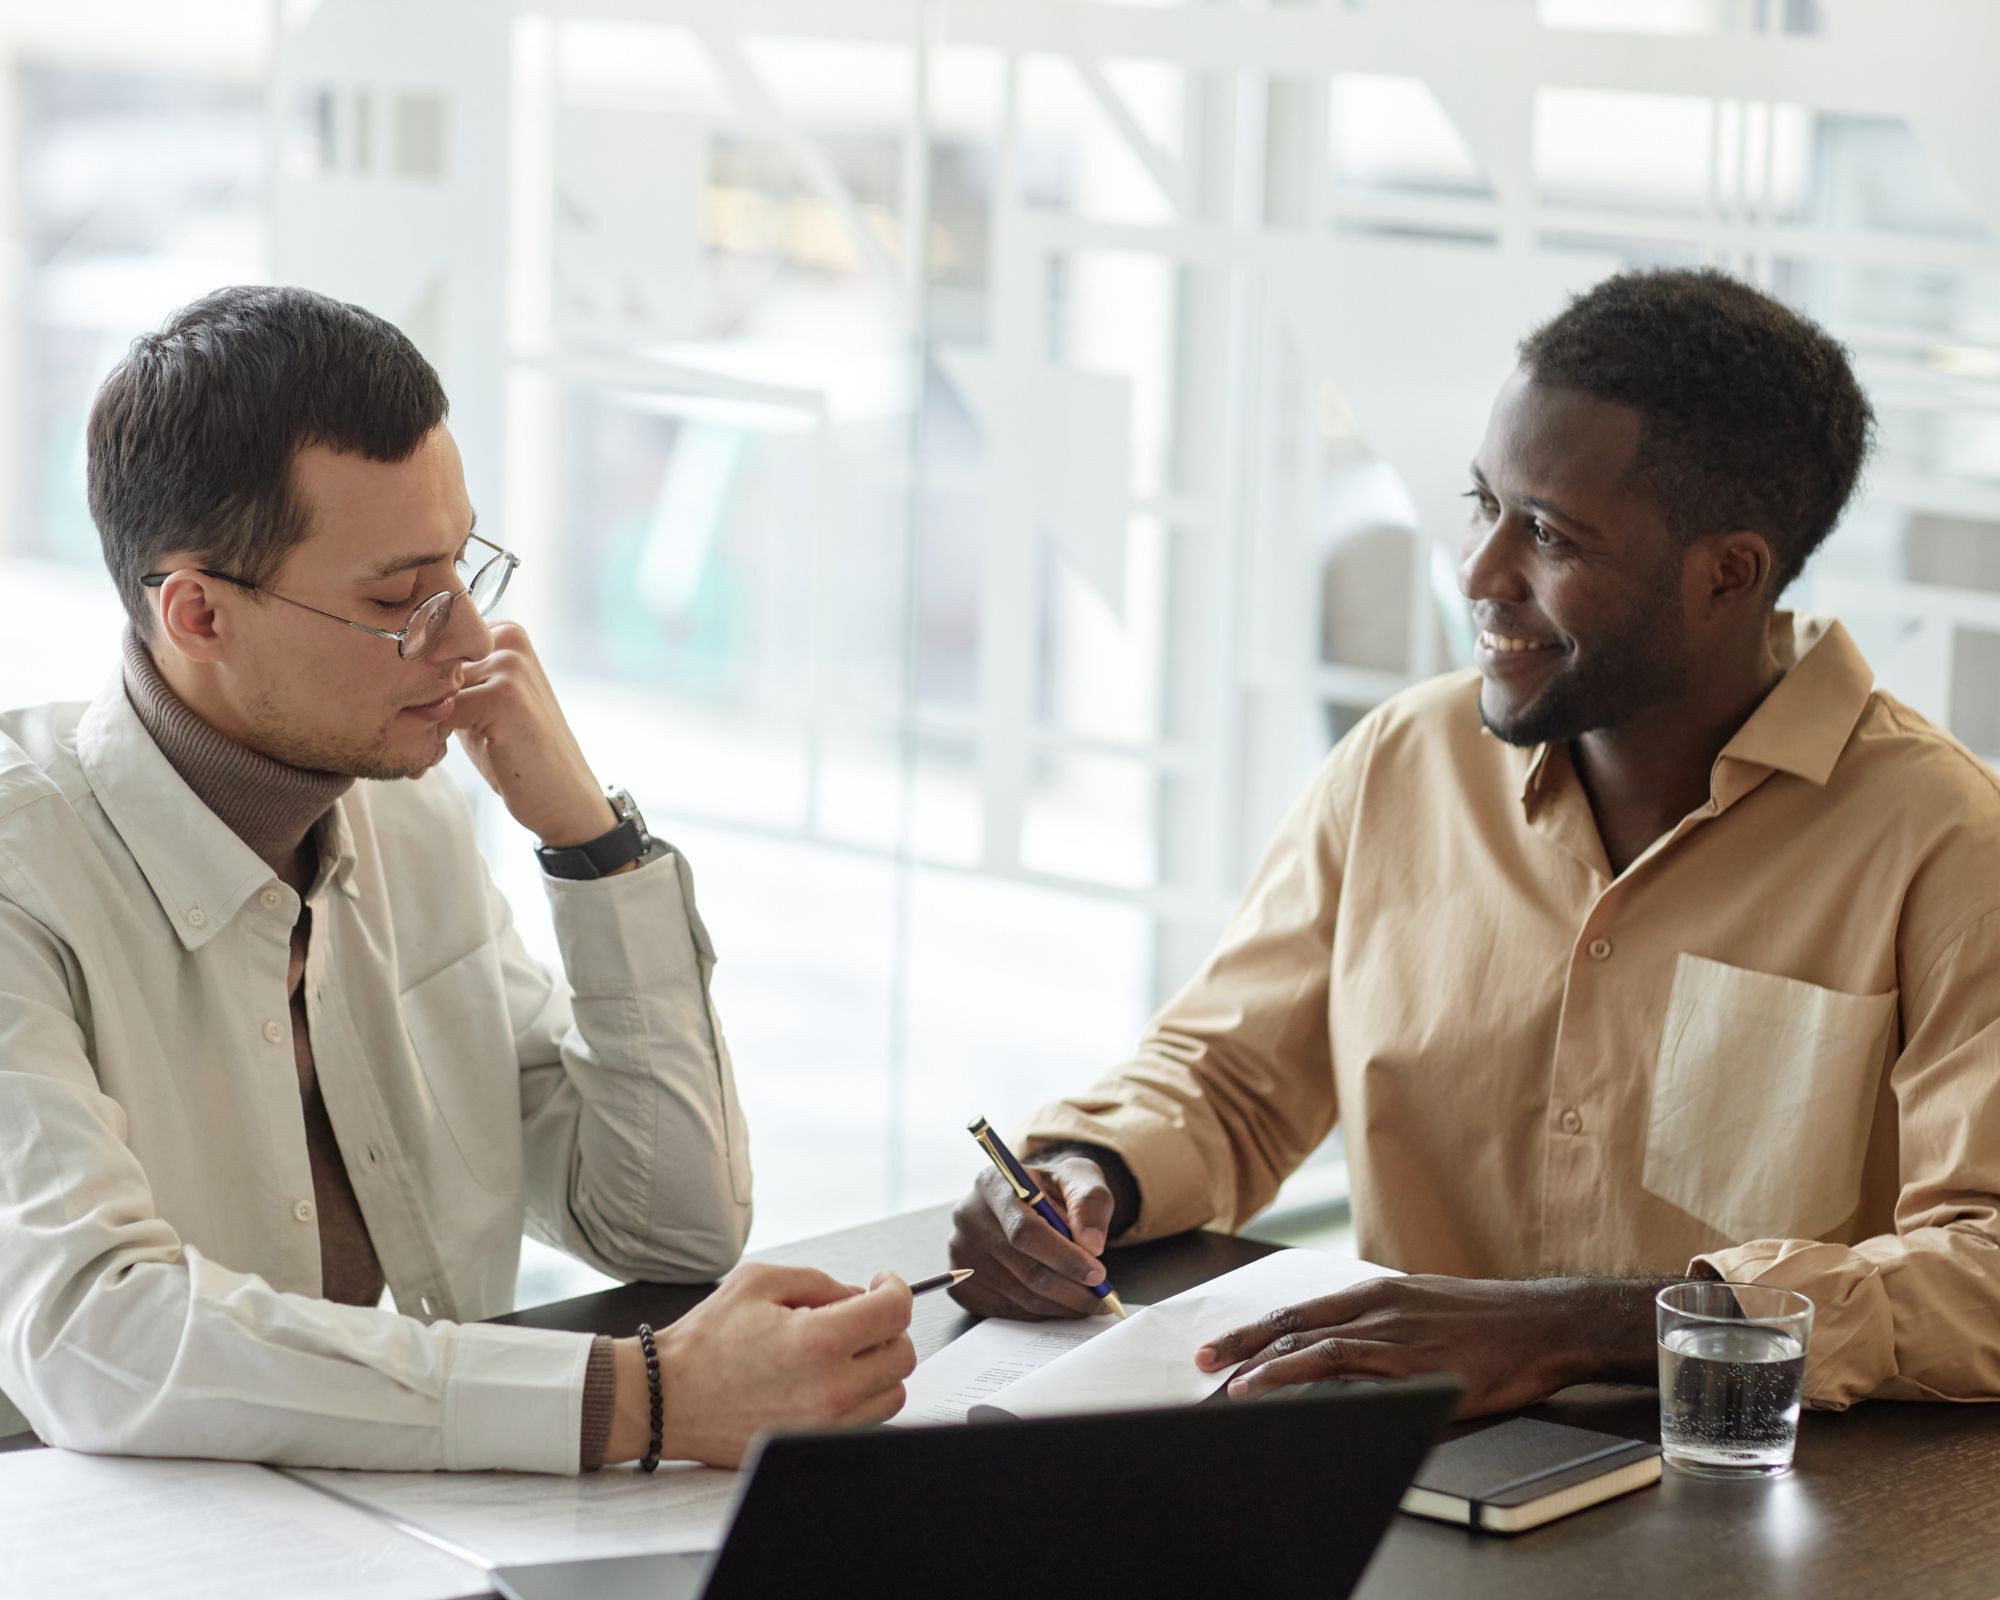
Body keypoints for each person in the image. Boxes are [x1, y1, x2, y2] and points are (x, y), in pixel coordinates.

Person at [950, 267, 2000, 1415]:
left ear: (1727, 573)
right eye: (1480, 502)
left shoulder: (1944, 843)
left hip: (1751, 1519)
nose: (1477, 572)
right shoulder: (1405, 761)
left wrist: (1579, 1329)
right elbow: (1229, 1080)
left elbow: (1984, 1272)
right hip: (1408, 1482)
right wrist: (1082, 1170)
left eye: (1546, 533)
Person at [0, 286, 914, 1472]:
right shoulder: (25, 877)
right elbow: (95, 1333)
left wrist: (589, 843)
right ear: (197, 614)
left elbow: (666, 1217)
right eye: (396, 601)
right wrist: (635, 1397)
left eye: (463, 569)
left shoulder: (407, 812)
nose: (471, 643)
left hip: (404, 1532)